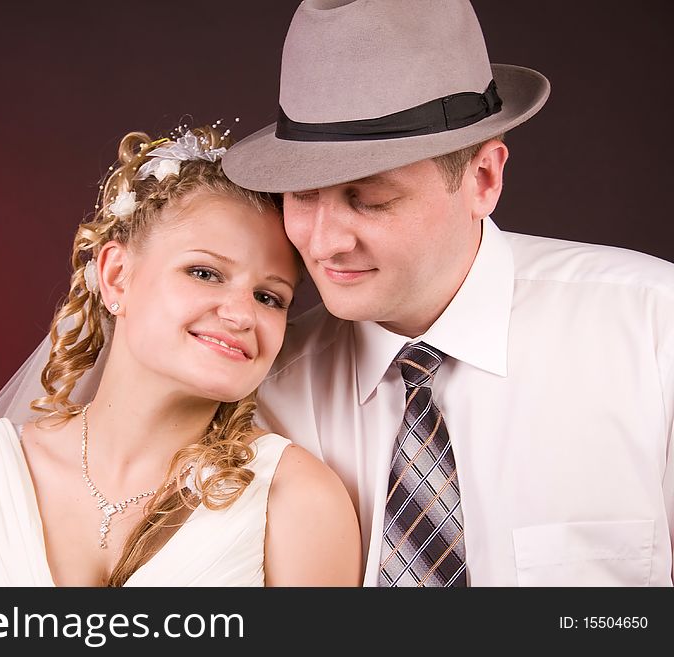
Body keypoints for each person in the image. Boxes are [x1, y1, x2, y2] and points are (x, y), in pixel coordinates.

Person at [217, 0, 674, 586]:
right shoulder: (260, 388)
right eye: (301, 197)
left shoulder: (652, 335)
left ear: (483, 179)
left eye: (369, 198)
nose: (323, 243)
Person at [0, 124, 361, 587]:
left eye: (269, 298)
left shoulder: (296, 499)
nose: (241, 315)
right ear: (116, 275)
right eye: (205, 272)